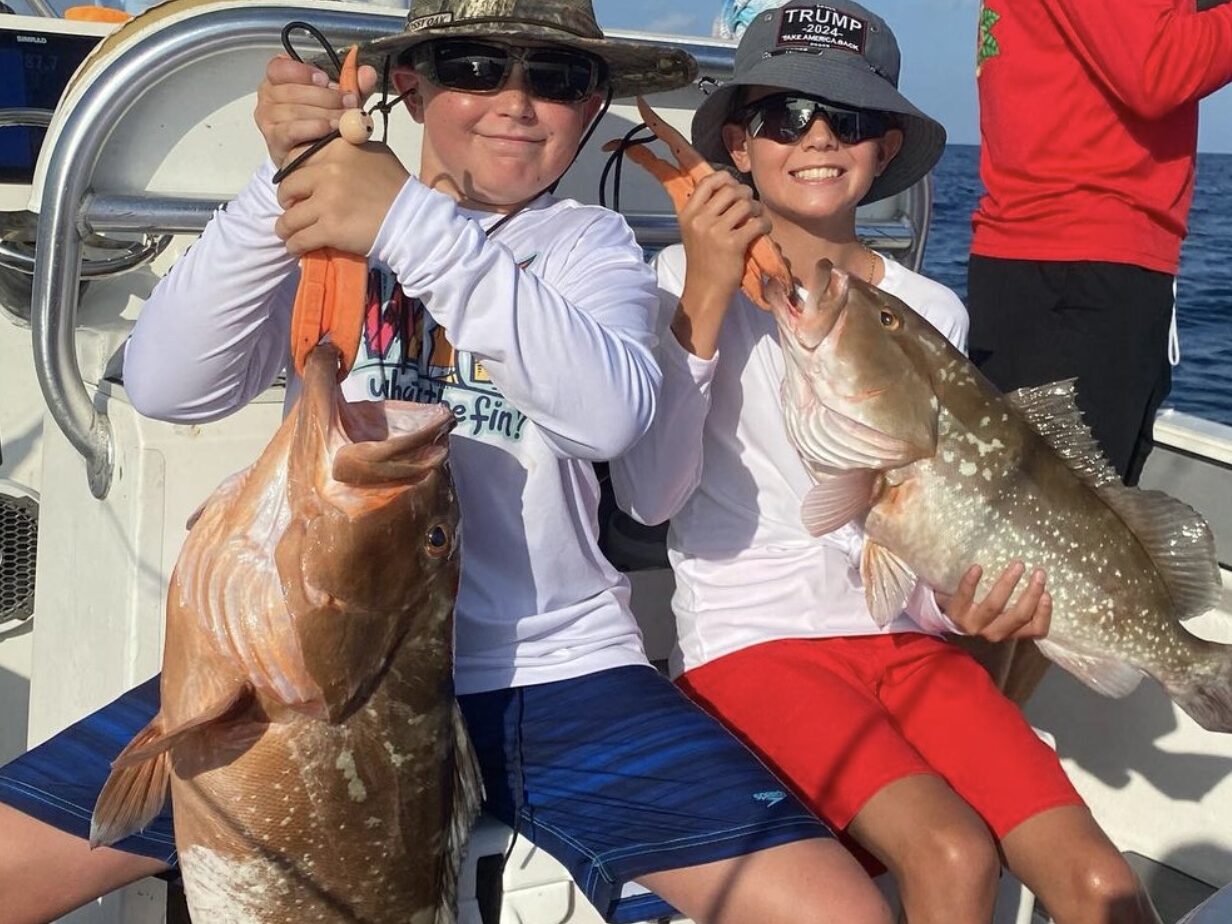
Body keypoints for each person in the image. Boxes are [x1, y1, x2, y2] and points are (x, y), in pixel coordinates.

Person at [0, 2, 894, 923]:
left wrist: (406, 222)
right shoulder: (317, 225)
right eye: (475, 66)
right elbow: (167, 384)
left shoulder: (586, 247)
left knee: (839, 913)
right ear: (411, 86)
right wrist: (285, 183)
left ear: (590, 110)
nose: (516, 102)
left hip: (554, 674)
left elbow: (612, 414)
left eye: (556, 80)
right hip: (288, 669)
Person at [611, 2, 1161, 922]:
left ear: (883, 148)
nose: (819, 138)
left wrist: (963, 603)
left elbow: (927, 525)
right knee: (951, 850)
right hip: (755, 644)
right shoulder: (672, 284)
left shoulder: (927, 310)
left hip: (908, 646)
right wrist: (706, 289)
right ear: (739, 145)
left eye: (851, 120)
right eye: (788, 116)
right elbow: (651, 495)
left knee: (1103, 885)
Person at [966, 0, 1232, 703]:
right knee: (1042, 550)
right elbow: (1160, 68)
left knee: (1039, 542)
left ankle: (981, 747)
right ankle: (970, 759)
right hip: (1085, 266)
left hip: (1049, 267)